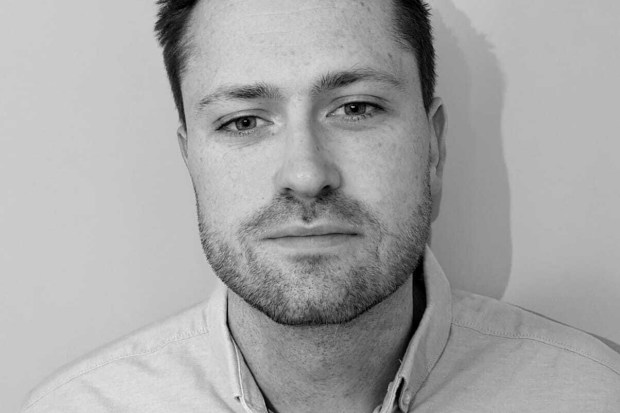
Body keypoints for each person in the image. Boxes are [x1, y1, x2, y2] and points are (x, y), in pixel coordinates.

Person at [21, 0, 620, 412]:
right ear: (190, 162)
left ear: (433, 150)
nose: (306, 176)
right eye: (243, 121)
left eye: (356, 108)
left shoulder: (595, 395)